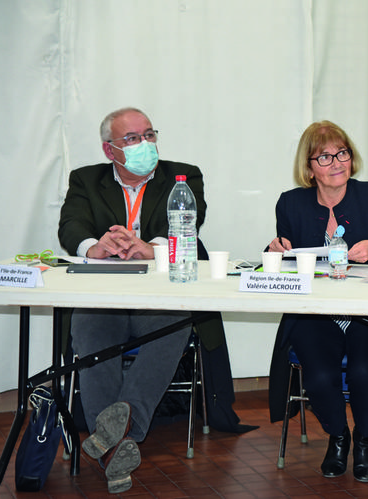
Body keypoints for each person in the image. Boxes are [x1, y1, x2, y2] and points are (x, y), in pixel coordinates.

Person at [58, 107, 249, 493]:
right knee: (89, 328)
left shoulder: (183, 175)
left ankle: (118, 430)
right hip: (106, 298)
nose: (145, 144)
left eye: (149, 134)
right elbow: (71, 226)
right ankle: (117, 446)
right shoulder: (86, 179)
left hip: (159, 297)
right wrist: (96, 246)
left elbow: (189, 223)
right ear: (110, 150)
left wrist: (150, 247)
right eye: (132, 139)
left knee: (175, 322)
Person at [266, 120, 368, 482]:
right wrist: (274, 250)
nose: (336, 162)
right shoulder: (290, 204)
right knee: (321, 373)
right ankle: (338, 436)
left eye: (341, 152)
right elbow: (284, 262)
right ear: (309, 169)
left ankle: (365, 439)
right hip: (316, 315)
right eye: (324, 157)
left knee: (361, 368)